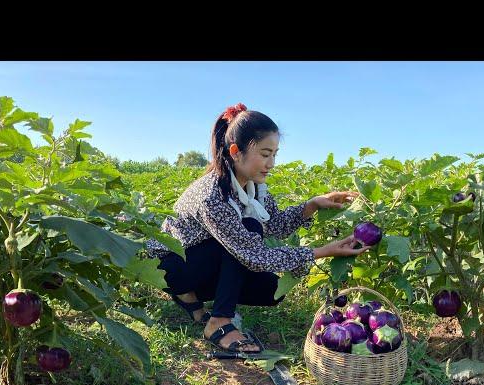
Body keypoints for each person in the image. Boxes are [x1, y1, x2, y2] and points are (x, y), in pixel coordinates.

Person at [146, 103, 371, 353]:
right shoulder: (212, 194)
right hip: (169, 266)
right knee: (249, 228)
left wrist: (312, 205)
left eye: (275, 154)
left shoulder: (253, 187)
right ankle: (218, 321)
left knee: (270, 291)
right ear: (235, 151)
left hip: (199, 261)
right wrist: (322, 251)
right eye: (265, 154)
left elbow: (275, 224)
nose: (271, 163)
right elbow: (254, 255)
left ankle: (190, 298)